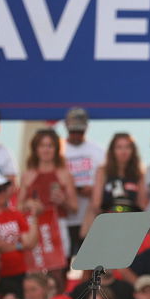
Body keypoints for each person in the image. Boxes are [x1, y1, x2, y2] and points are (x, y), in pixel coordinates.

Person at [0, 171, 37, 299]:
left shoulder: (14, 213)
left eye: (5, 189)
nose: (4, 193)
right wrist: (18, 245)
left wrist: (34, 216)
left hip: (18, 272)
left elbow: (30, 242)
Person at [19, 127, 79, 242]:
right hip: (34, 226)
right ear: (35, 149)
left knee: (60, 260)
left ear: (56, 149)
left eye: (50, 146)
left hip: (58, 226)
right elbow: (18, 207)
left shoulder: (65, 175)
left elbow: (74, 207)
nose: (46, 150)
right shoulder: (27, 175)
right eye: (42, 145)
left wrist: (63, 201)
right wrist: (28, 204)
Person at [82, 132, 144, 240]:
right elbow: (96, 203)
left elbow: (142, 204)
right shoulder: (103, 171)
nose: (123, 151)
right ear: (112, 150)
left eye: (127, 147)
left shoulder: (139, 174)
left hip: (131, 227)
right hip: (105, 226)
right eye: (119, 147)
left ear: (133, 150)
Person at [59, 107, 104, 254]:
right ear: (66, 126)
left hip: (90, 217)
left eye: (80, 131)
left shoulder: (98, 151)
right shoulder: (58, 151)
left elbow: (106, 181)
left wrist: (95, 190)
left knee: (91, 262)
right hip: (64, 218)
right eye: (73, 131)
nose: (77, 135)